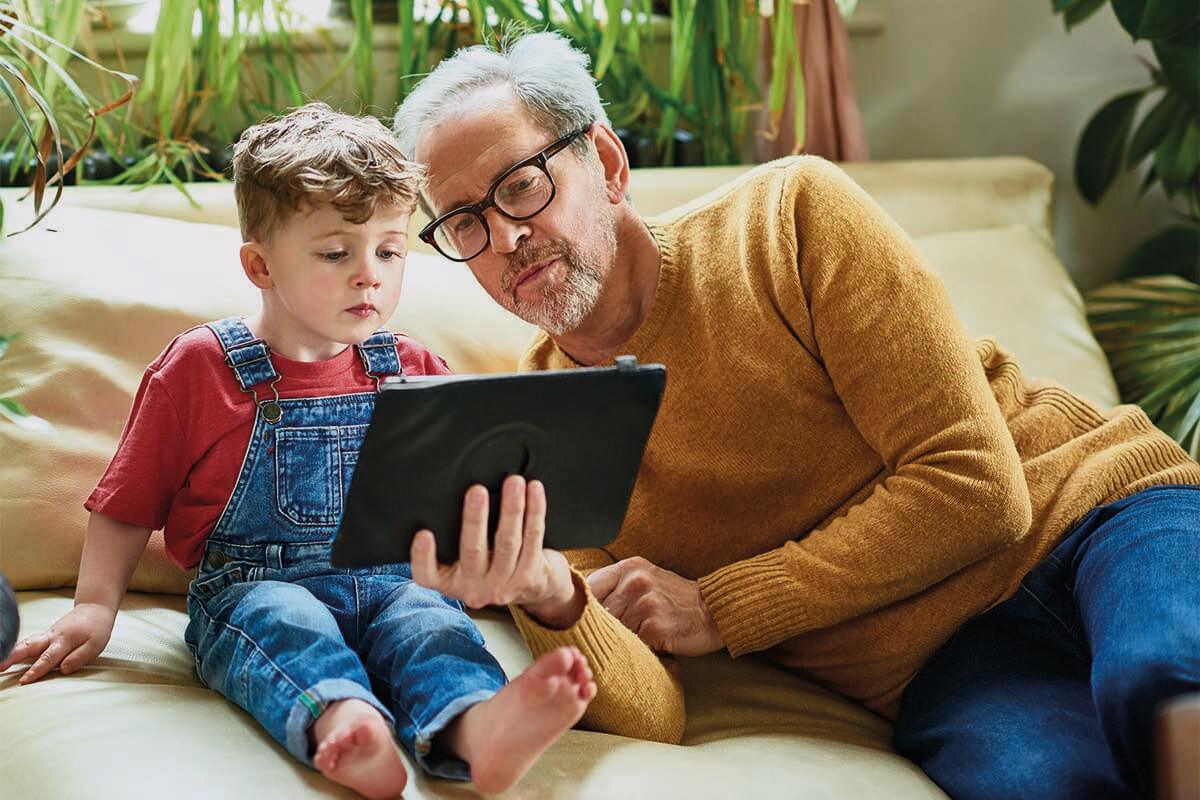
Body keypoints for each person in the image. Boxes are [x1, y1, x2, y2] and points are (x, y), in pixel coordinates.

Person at [391, 31, 1200, 799]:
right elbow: (654, 711)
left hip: (1101, 516)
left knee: (1163, 674)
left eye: (522, 184)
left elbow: (979, 486)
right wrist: (550, 594)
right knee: (1042, 785)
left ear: (604, 160)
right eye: (464, 221)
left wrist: (720, 606)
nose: (504, 238)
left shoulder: (789, 218)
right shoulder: (543, 435)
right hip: (942, 665)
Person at [0, 103, 596, 799]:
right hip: (254, 585)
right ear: (260, 265)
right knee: (289, 623)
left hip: (394, 580)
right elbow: (127, 501)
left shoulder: (411, 369)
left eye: (389, 249)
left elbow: (459, 498)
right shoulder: (201, 367)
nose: (368, 274)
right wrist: (95, 607)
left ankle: (474, 728)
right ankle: (343, 725)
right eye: (336, 252)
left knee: (431, 625)